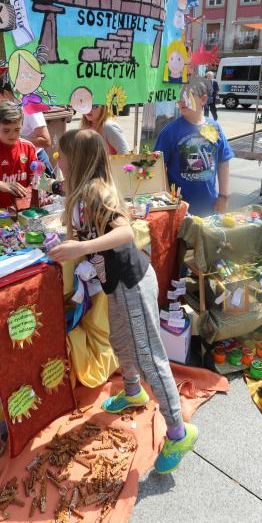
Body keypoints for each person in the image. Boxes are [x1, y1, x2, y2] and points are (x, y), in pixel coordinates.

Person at [50, 129, 197, 474]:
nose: (59, 160)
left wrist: (81, 248)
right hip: (116, 284)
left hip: (131, 282)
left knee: (148, 356)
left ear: (78, 158)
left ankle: (178, 431)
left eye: (63, 155)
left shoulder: (96, 191)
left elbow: (124, 231)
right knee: (119, 339)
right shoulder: (82, 189)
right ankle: (133, 391)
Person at [156, 80, 233, 217]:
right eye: (179, 98)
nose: (182, 102)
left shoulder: (215, 128)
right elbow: (158, 166)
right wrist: (169, 200)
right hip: (179, 209)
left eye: (187, 97)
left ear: (203, 99)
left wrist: (224, 196)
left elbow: (223, 162)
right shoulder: (170, 131)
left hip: (210, 206)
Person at [0, 101, 37, 210]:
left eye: (17, 130)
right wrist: (5, 185)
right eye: (6, 130)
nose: (12, 135)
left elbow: (35, 179)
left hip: (24, 211)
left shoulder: (29, 148)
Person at [21, 110, 55, 177]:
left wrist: (19, 140)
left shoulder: (31, 109)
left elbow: (46, 141)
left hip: (37, 160)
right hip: (17, 161)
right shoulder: (3, 106)